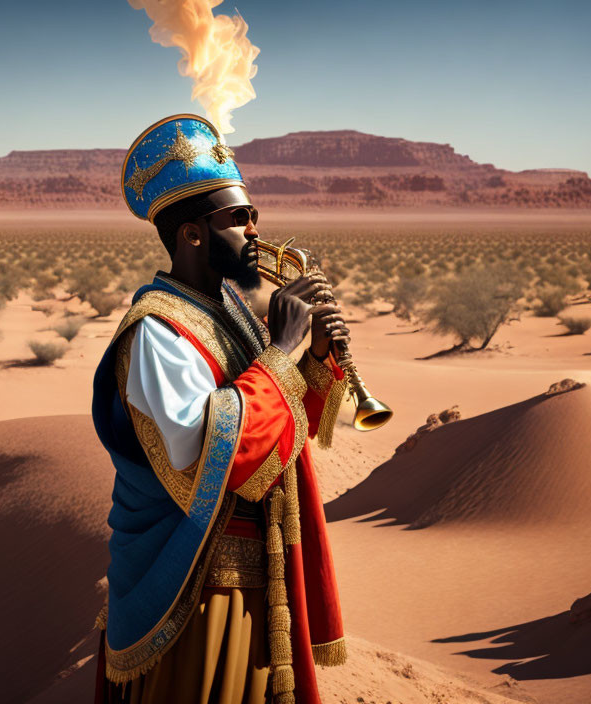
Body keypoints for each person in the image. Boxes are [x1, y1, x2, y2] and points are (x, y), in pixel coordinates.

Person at [92, 114, 349, 704]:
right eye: (238, 218)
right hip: (193, 585)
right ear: (192, 235)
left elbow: (283, 422)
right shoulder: (157, 329)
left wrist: (315, 356)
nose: (256, 230)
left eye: (253, 214)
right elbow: (203, 449)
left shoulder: (227, 308)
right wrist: (281, 351)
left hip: (254, 568)